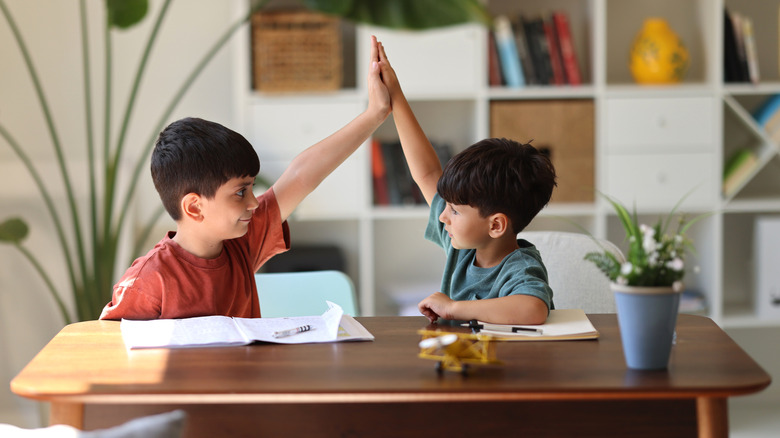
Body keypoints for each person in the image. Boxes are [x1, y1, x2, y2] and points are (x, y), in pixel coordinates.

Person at [99, 37, 390, 320]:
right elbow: (110, 352)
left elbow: (302, 176)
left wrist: (375, 114)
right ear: (195, 207)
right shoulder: (147, 281)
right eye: (240, 192)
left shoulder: (242, 241)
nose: (254, 203)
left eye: (251, 188)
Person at [375, 39, 557, 325]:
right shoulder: (464, 247)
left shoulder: (520, 267)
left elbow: (533, 309)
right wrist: (395, 95)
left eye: (455, 211)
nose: (443, 216)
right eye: (448, 206)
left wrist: (453, 308)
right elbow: (425, 173)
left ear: (495, 225)